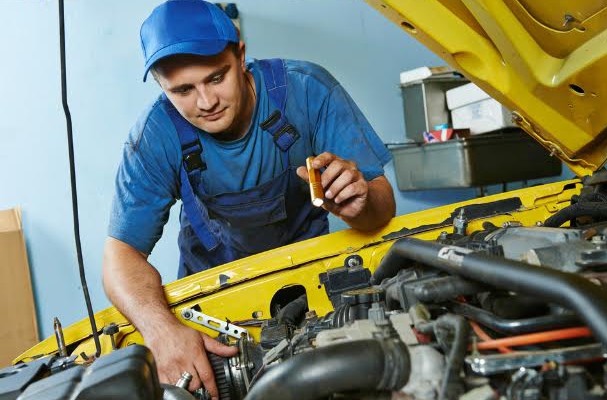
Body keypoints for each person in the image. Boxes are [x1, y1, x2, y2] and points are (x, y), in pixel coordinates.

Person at [102, 0, 396, 397]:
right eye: (183, 90)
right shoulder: (155, 136)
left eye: (216, 77)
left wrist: (362, 205)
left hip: (310, 290)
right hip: (216, 310)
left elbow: (382, 207)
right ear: (160, 85)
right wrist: (162, 331)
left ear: (240, 55)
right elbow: (119, 257)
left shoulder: (307, 91)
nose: (205, 102)